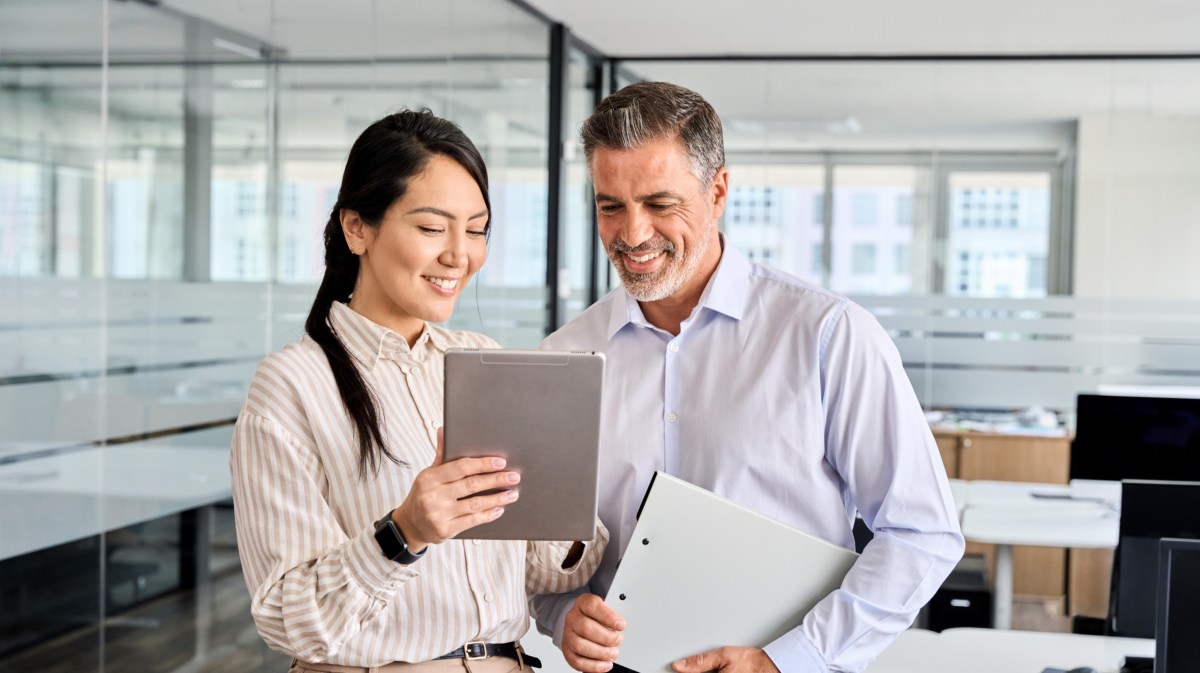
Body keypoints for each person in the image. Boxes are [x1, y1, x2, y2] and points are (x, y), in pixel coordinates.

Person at [529, 82, 964, 673]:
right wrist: (561, 613)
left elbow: (921, 532)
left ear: (718, 191)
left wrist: (791, 658)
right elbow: (542, 557)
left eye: (660, 204)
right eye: (611, 206)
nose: (631, 234)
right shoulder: (564, 358)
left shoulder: (827, 335)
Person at [230, 109, 607, 673]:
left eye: (476, 229)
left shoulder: (481, 357)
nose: (460, 254)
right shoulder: (291, 386)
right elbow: (288, 619)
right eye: (432, 228)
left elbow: (549, 572)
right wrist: (404, 532)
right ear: (356, 227)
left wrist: (564, 498)